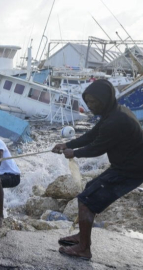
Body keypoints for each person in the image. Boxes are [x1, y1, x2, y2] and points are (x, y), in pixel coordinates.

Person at [52, 79, 143, 260]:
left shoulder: (115, 120)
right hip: (125, 166)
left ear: (105, 98)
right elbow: (91, 135)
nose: (90, 106)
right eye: (88, 102)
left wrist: (73, 153)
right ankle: (82, 236)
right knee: (89, 190)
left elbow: (96, 148)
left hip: (131, 170)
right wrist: (67, 143)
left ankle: (84, 249)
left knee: (86, 200)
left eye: (93, 102)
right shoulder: (113, 113)